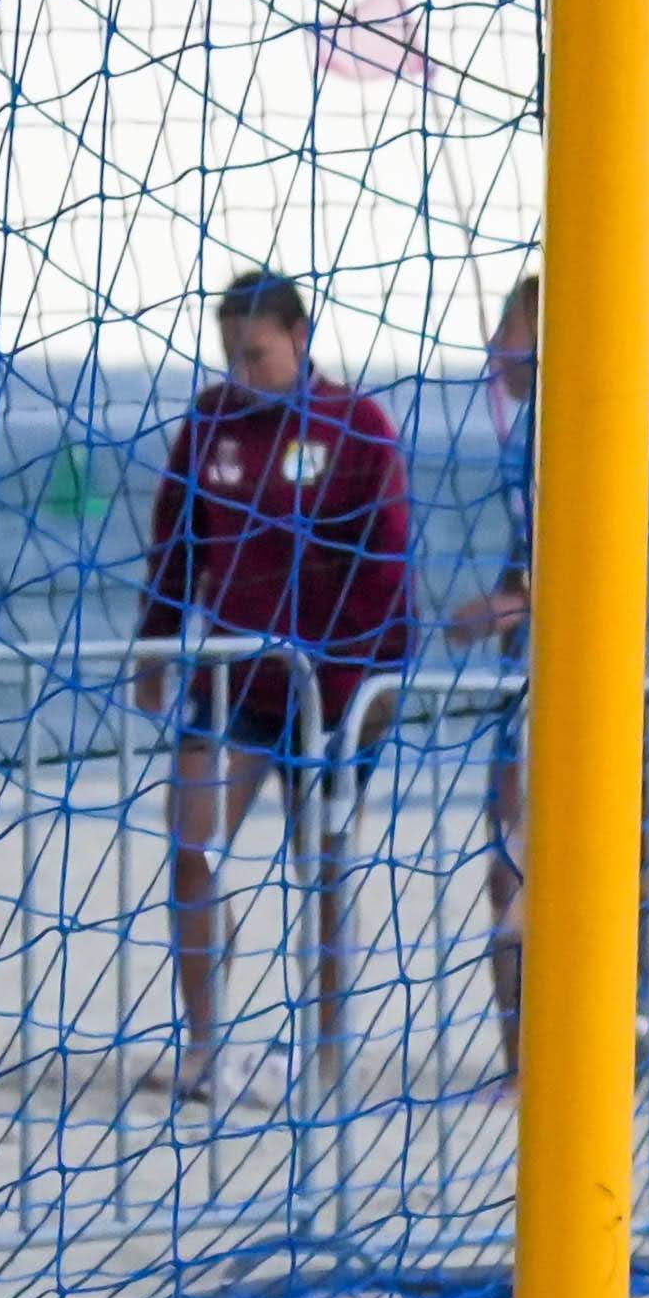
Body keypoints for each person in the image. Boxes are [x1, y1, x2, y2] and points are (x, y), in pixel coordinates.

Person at [443, 270, 649, 1099]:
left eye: (511, 332)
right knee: (513, 866)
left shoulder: (645, 428)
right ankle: (535, 1061)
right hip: (557, 678)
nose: (494, 349)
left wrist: (516, 600)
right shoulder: (541, 439)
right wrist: (509, 601)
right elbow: (544, 567)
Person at [133, 268, 415, 1101]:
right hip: (236, 684)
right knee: (192, 844)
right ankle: (205, 1044)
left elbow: (388, 566)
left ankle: (329, 1050)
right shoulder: (211, 421)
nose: (240, 372)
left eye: (254, 354)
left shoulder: (358, 426)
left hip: (341, 685)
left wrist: (340, 686)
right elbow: (176, 542)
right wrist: (155, 646)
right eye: (229, 355)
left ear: (299, 338)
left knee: (321, 861)